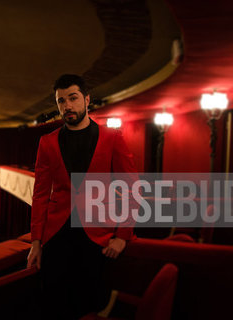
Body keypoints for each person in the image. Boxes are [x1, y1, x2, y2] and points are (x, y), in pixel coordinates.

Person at [26, 74, 138, 319]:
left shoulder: (112, 138)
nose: (67, 106)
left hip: (96, 236)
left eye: (73, 98)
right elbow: (40, 194)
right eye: (61, 101)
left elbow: (131, 188)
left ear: (87, 100)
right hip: (56, 237)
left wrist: (123, 235)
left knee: (89, 306)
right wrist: (36, 241)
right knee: (54, 304)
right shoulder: (47, 142)